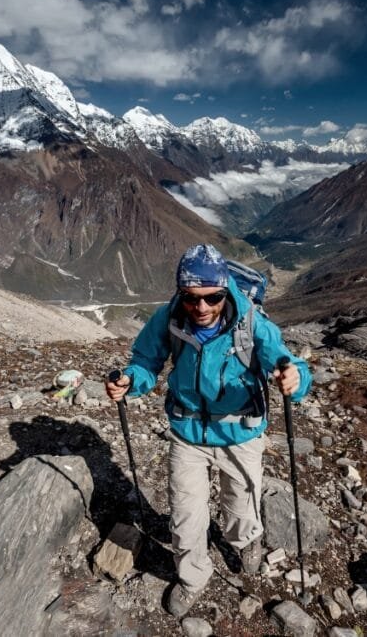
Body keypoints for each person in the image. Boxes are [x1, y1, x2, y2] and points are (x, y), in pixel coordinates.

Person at [105, 244, 312, 618]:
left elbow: (287, 362)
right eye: (191, 298)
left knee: (241, 505)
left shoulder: (251, 322)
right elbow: (146, 361)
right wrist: (130, 381)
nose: (201, 308)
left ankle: (245, 540)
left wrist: (295, 378)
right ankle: (192, 578)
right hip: (187, 434)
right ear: (180, 293)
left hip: (241, 434)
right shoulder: (170, 316)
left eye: (212, 298)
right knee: (185, 518)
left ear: (225, 289)